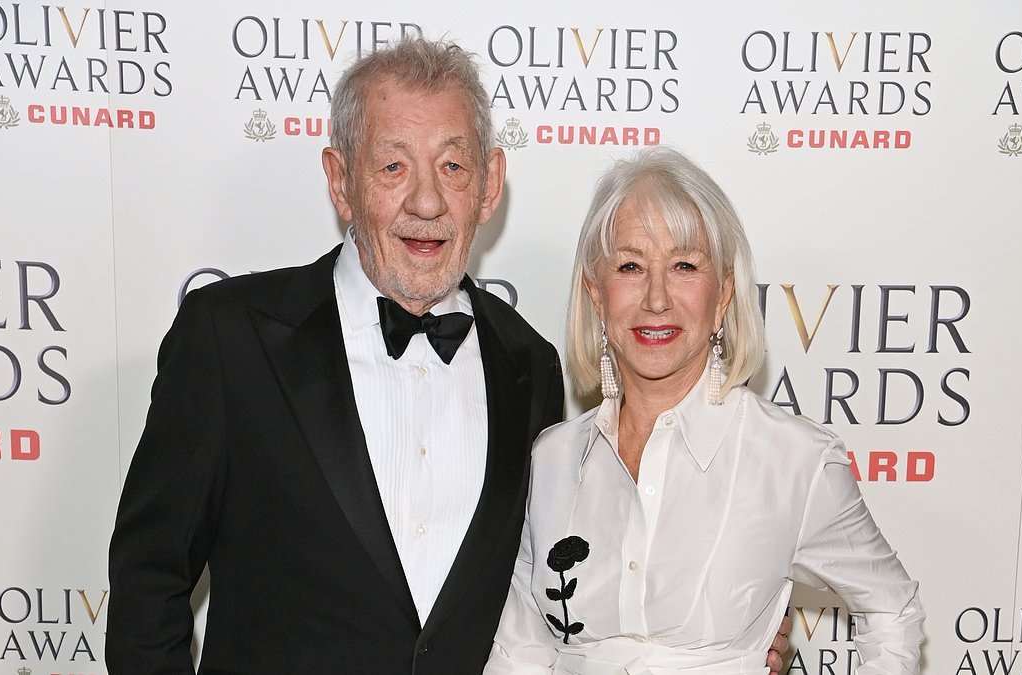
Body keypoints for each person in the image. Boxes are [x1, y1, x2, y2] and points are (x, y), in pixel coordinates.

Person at [107, 39, 788, 674]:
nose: (427, 200)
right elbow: (148, 578)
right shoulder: (231, 339)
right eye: (393, 165)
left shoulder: (529, 366)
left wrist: (732, 630)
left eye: (453, 166)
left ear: (489, 185)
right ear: (341, 180)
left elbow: (567, 582)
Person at [484, 147, 925, 674]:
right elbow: (521, 650)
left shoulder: (793, 460)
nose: (656, 298)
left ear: (722, 297)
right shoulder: (552, 459)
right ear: (596, 295)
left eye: (685, 266)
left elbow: (891, 609)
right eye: (630, 266)